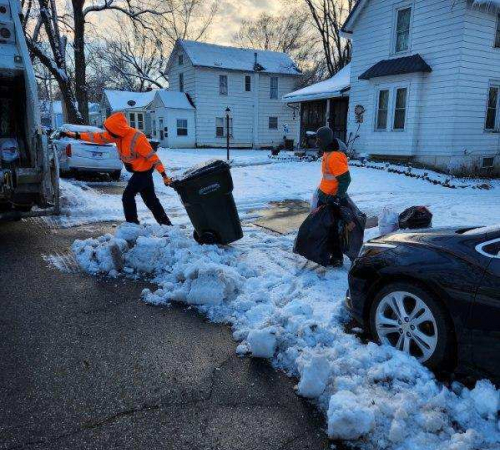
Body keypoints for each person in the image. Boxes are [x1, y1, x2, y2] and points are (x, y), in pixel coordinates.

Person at [61, 113, 172, 226]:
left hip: (143, 172)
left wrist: (164, 175)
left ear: (117, 130)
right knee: (150, 200)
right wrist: (74, 135)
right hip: (139, 171)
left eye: (110, 131)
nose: (108, 134)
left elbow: (153, 157)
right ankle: (166, 224)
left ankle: (132, 224)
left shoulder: (137, 138)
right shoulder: (117, 136)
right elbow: (96, 137)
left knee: (128, 196)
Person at [315, 126, 352, 267]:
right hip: (324, 196)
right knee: (324, 228)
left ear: (325, 140)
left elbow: (346, 179)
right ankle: (326, 253)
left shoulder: (335, 157)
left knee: (331, 230)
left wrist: (337, 197)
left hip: (332, 200)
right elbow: (328, 177)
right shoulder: (327, 153)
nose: (316, 142)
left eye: (319, 139)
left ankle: (337, 258)